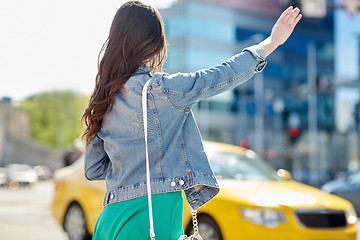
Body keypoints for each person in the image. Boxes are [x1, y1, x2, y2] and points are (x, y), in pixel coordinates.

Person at [81, 1, 302, 239]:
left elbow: (93, 170)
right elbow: (221, 75)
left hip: (110, 218)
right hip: (154, 213)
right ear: (154, 42)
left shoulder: (104, 97)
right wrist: (272, 42)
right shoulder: (163, 89)